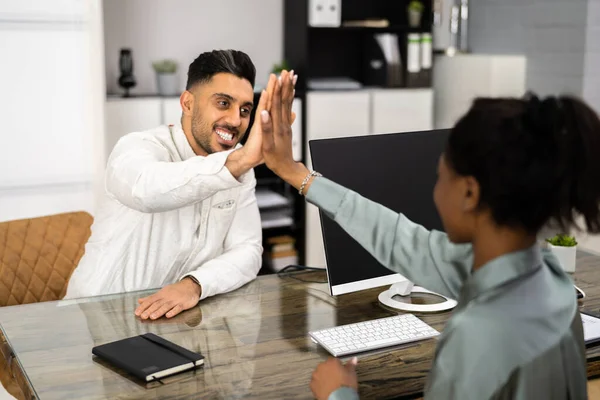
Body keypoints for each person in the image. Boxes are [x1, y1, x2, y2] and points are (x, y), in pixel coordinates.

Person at [260, 70, 600, 399]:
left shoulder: (476, 338)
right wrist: (296, 173)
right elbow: (403, 241)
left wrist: (340, 393)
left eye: (440, 176)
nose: (435, 192)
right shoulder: (550, 279)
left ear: (469, 192)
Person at [65, 50, 285, 321]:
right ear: (188, 103)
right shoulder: (137, 147)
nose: (235, 120)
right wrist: (237, 163)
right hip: (94, 321)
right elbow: (147, 191)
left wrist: (195, 284)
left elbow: (248, 251)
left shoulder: (238, 166)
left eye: (245, 109)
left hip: (172, 323)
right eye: (223, 103)